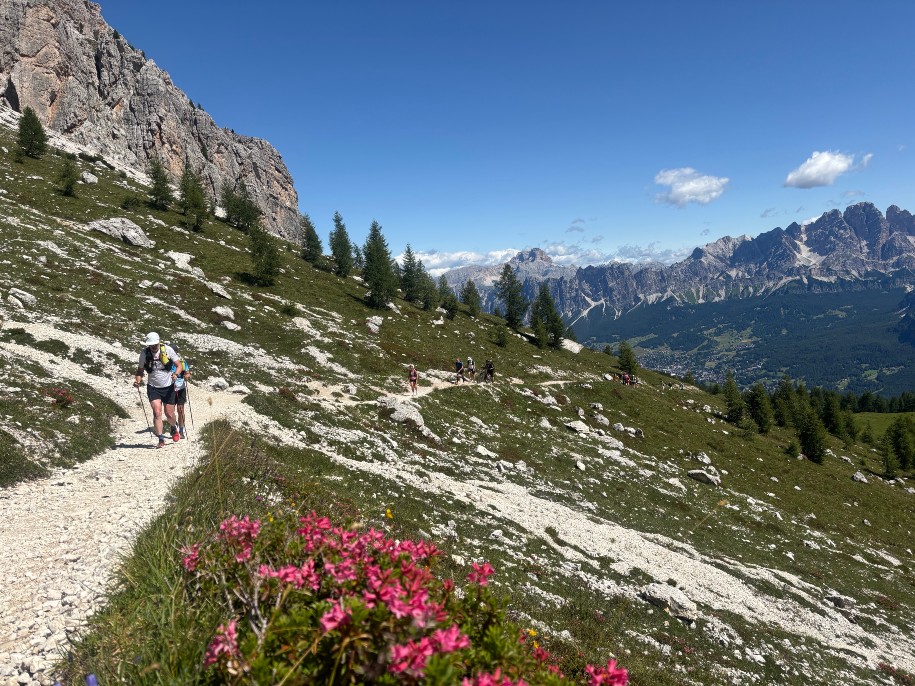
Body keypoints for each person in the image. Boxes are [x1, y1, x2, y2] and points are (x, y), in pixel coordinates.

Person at [134, 332, 184, 448]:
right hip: (153, 387)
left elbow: (179, 365)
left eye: (155, 344)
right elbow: (140, 370)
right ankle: (161, 438)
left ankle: (173, 427)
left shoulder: (168, 350)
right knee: (157, 412)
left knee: (169, 413)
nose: (153, 347)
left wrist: (176, 374)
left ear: (158, 342)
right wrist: (137, 381)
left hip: (168, 386)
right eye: (151, 345)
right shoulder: (144, 353)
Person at [172, 355, 192, 438]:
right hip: (170, 389)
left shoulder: (182, 362)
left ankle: (181, 429)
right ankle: (173, 426)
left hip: (181, 388)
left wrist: (187, 376)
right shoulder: (165, 362)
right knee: (170, 410)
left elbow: (188, 373)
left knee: (180, 409)